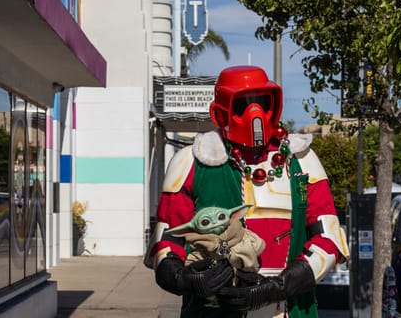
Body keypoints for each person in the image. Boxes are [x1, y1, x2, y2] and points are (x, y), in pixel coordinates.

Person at [145, 65, 348, 318]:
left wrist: (279, 287)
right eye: (243, 104)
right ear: (221, 112)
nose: (256, 113)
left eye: (263, 102)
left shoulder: (302, 160)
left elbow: (329, 240)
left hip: (287, 309)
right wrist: (184, 278)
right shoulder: (191, 162)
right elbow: (166, 242)